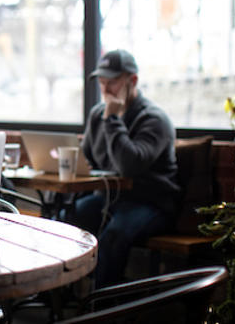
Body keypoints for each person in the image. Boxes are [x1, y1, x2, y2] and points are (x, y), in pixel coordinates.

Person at [65, 49, 181, 288]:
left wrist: (113, 121)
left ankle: (104, 308)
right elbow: (87, 160)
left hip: (151, 202)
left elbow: (129, 166)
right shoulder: (98, 114)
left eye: (113, 83)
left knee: (113, 236)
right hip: (108, 199)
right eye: (102, 82)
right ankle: (60, 297)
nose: (106, 91)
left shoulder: (154, 119)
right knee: (67, 218)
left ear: (133, 81)